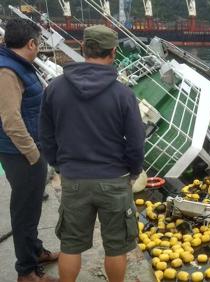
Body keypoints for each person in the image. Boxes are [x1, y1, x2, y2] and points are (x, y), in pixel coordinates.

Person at [39, 25, 145, 282]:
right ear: (113, 52)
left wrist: (60, 165)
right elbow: (135, 142)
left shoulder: (54, 88)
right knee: (116, 247)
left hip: (74, 179)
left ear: (83, 48)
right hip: (114, 179)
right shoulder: (123, 94)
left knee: (70, 245)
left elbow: (46, 136)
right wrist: (133, 170)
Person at [0, 19, 59, 282]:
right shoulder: (7, 72)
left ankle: (35, 251)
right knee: (24, 211)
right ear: (31, 43)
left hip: (29, 150)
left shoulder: (18, 65)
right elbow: (11, 120)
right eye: (39, 43)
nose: (40, 48)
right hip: (21, 154)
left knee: (32, 206)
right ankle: (26, 271)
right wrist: (33, 154)